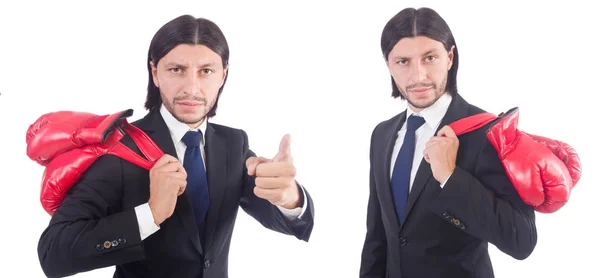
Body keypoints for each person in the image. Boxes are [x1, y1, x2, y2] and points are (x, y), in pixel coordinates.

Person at [37, 15, 314, 278]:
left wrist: (290, 199)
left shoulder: (234, 143)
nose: (191, 88)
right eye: (176, 70)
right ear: (155, 73)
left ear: (223, 75)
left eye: (206, 71)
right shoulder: (121, 147)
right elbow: (53, 252)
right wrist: (151, 213)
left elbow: (286, 218)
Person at [359, 7, 537, 278]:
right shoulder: (381, 135)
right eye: (403, 61)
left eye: (430, 58)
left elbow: (521, 240)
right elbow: (378, 236)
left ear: (450, 57)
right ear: (388, 65)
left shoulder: (489, 132)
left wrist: (451, 178)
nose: (418, 76)